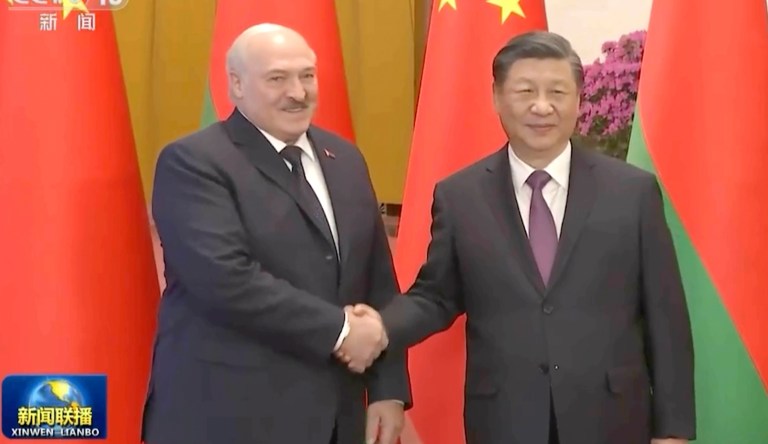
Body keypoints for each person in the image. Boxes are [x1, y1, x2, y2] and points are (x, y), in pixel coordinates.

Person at [346, 31, 696, 444]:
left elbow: (665, 316)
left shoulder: (632, 192)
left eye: (557, 91)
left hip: (612, 418)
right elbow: (436, 296)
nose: (542, 106)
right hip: (505, 418)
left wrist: (673, 431)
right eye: (525, 91)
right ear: (496, 97)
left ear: (579, 99)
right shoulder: (460, 195)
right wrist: (380, 326)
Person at [141, 23, 411, 444]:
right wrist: (342, 330)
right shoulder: (193, 163)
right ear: (236, 84)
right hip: (229, 417)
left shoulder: (344, 159)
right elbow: (226, 281)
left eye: (307, 75)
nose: (299, 92)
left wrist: (388, 390)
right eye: (277, 79)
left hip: (336, 418)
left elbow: (377, 278)